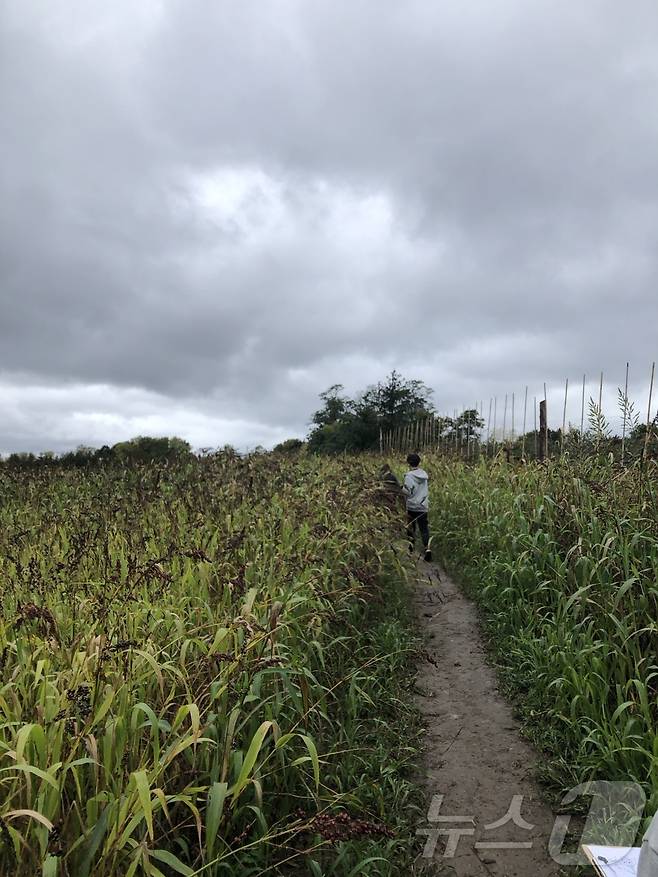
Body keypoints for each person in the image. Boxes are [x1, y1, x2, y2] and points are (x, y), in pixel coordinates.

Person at [402, 453, 432, 562]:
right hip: (423, 506)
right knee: (424, 529)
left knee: (411, 528)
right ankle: (427, 550)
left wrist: (401, 489)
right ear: (419, 462)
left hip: (412, 506)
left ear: (409, 463)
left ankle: (411, 550)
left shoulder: (409, 476)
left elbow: (407, 492)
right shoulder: (424, 475)